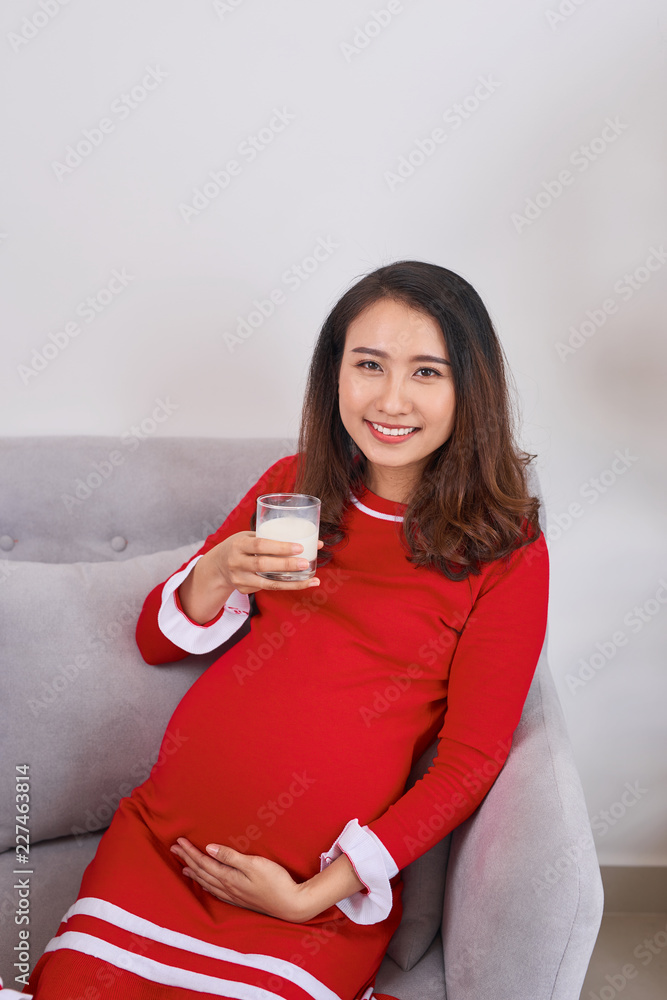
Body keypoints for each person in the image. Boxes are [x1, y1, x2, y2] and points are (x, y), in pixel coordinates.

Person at [15, 260, 549, 1000]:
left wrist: (314, 894)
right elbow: (155, 640)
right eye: (368, 365)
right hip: (163, 851)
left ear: (470, 388)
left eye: (426, 372)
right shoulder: (290, 486)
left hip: (308, 901)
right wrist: (215, 573)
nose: (391, 399)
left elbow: (470, 759)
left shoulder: (503, 547)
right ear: (335, 375)